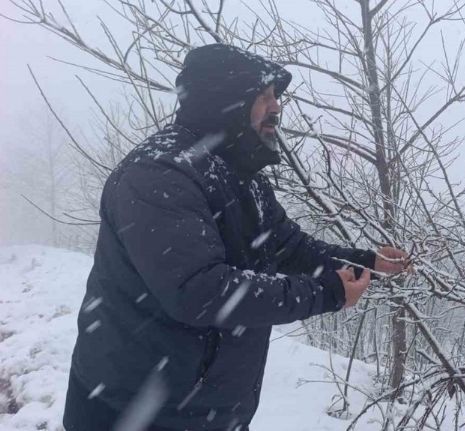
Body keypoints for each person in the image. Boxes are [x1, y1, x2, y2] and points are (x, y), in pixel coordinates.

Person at [62, 44, 409, 431]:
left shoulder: (238, 175)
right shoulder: (159, 175)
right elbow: (201, 292)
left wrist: (366, 262)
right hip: (132, 412)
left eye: (276, 97)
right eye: (263, 97)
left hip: (206, 409)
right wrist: (327, 294)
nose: (276, 107)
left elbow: (286, 247)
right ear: (224, 101)